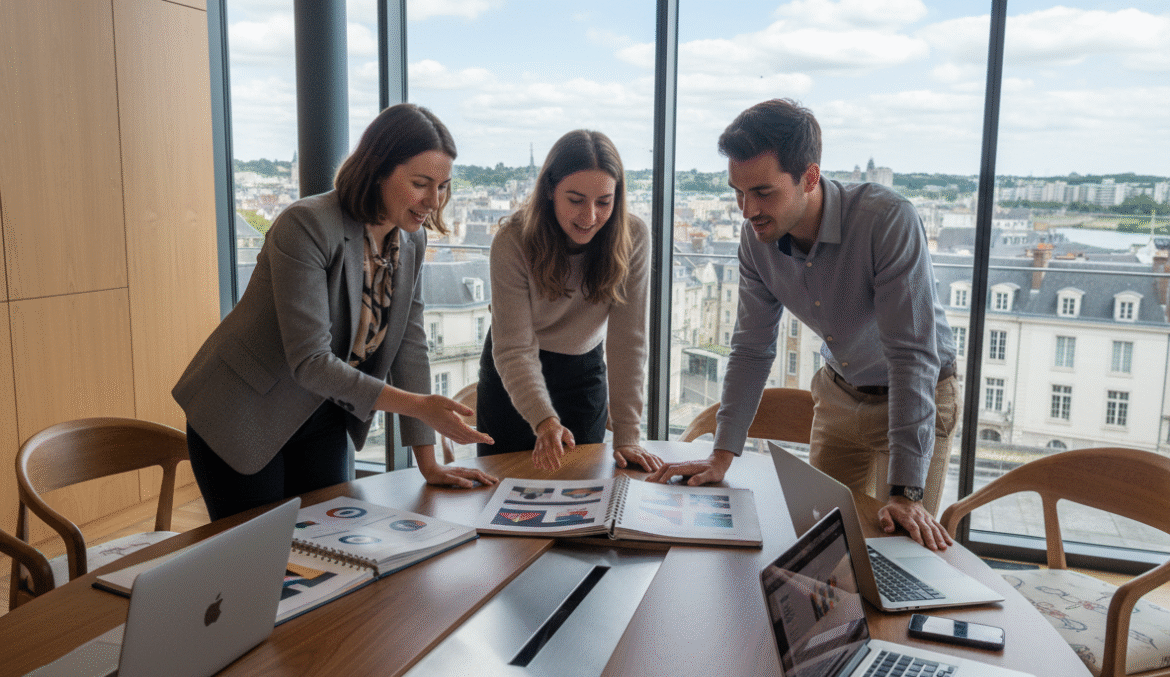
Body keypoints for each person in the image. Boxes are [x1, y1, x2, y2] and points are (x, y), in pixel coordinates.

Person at [650, 99, 959, 551]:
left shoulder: (887, 220)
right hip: (837, 394)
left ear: (809, 177)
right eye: (737, 192)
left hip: (916, 393)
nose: (746, 210)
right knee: (823, 544)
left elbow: (912, 356)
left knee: (901, 550)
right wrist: (721, 456)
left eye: (763, 192)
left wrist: (906, 494)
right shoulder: (755, 240)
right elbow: (752, 348)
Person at [174, 103, 497, 521]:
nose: (433, 201)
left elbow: (408, 344)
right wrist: (418, 406)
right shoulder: (306, 225)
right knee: (262, 562)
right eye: (421, 183)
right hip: (244, 410)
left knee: (332, 542)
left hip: (323, 410)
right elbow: (310, 361)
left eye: (443, 187)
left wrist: (428, 462)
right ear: (379, 169)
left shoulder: (410, 242)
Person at [477, 130, 663, 473]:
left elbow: (628, 343)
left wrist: (628, 436)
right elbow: (514, 348)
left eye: (604, 202)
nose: (589, 216)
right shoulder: (513, 240)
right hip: (512, 375)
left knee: (583, 492)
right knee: (506, 496)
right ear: (550, 190)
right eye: (575, 200)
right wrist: (544, 420)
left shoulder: (633, 236)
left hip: (583, 372)